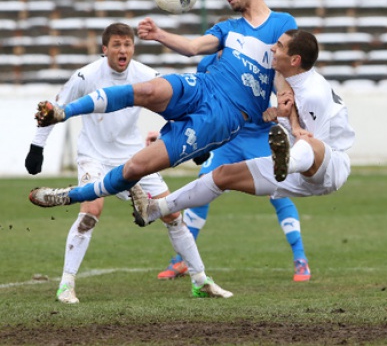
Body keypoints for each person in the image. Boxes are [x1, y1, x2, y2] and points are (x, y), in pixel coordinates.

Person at [28, 0, 297, 208]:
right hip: (204, 86)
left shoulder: (282, 23)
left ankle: (70, 195)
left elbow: (283, 71)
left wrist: (281, 107)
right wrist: (158, 34)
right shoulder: (229, 27)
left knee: (136, 167)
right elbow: (193, 47)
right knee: (148, 89)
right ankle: (63, 112)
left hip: (226, 115)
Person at [26, 23, 232, 303]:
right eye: (117, 45)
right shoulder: (85, 75)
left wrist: (194, 142)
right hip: (94, 156)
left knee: (172, 214)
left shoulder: (146, 75)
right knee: (90, 211)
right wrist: (37, 147)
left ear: (133, 48)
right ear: (105, 49)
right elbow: (54, 107)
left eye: (127, 45)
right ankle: (66, 284)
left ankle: (200, 280)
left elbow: (176, 106)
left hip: (134, 157)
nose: (123, 50)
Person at [128, 30, 355, 257]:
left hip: (330, 166)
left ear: (295, 60)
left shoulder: (313, 93)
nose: (273, 48)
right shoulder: (287, 77)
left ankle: (286, 163)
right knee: (223, 175)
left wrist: (286, 120)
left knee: (308, 145)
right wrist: (281, 116)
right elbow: (294, 123)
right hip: (295, 168)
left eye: (280, 45)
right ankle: (156, 208)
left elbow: (315, 144)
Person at [156, 49, 310, 282]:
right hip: (227, 138)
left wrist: (278, 113)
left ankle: (300, 259)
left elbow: (284, 95)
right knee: (202, 186)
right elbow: (198, 102)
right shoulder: (207, 63)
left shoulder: (257, 61)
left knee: (279, 191)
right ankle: (180, 260)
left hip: (259, 135)